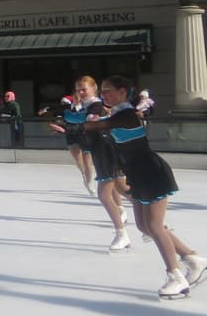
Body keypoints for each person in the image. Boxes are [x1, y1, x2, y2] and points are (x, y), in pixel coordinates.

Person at [86, 76, 206, 298]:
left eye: (108, 91)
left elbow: (100, 125)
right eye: (102, 92)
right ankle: (192, 258)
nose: (105, 95)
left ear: (123, 92)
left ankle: (176, 276)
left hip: (151, 170)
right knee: (143, 226)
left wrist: (75, 124)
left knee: (155, 225)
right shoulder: (117, 114)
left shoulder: (127, 114)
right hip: (137, 174)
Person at [75, 76, 132, 252]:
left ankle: (122, 233)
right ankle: (153, 221)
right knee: (123, 190)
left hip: (106, 153)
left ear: (93, 88)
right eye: (78, 89)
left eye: (84, 89)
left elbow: (92, 126)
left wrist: (72, 126)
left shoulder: (96, 106)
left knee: (104, 195)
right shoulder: (88, 107)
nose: (81, 92)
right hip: (102, 152)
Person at [49, 90, 94, 195]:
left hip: (84, 134)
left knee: (87, 158)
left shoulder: (87, 108)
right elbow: (58, 115)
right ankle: (84, 175)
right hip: (71, 134)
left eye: (80, 97)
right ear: (72, 98)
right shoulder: (67, 109)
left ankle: (90, 181)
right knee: (77, 159)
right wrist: (58, 129)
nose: (78, 99)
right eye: (75, 97)